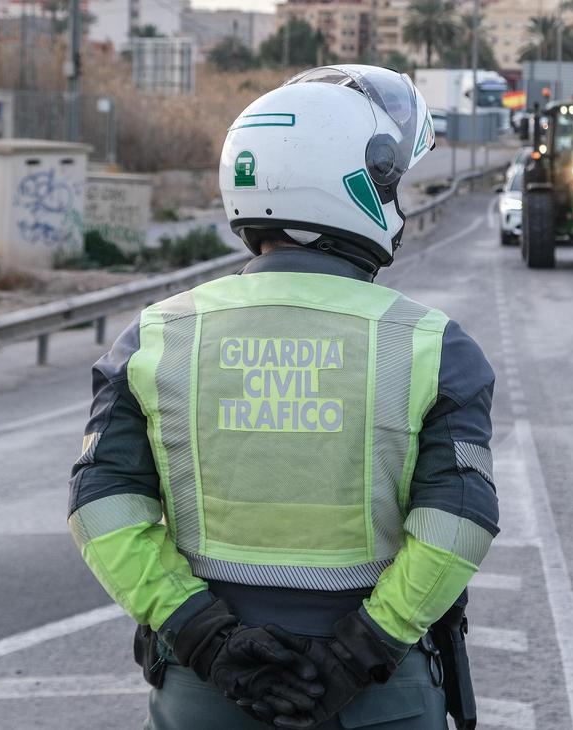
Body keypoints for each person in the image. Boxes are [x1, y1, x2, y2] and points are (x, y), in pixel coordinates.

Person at [67, 64, 499, 729]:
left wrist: (205, 636)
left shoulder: (154, 338)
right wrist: (364, 650)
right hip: (376, 700)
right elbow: (457, 522)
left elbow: (102, 506)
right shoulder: (431, 346)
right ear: (358, 184)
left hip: (209, 695)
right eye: (394, 185)